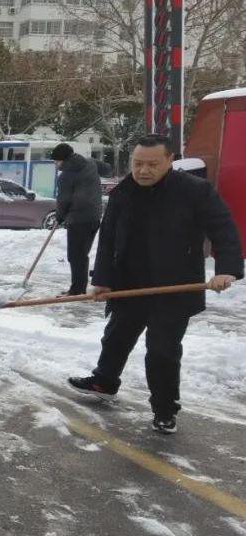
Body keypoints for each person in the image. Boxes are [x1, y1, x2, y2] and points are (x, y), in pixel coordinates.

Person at [68, 134, 242, 434]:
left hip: (174, 287)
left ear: (170, 160)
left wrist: (227, 269)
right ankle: (104, 382)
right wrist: (103, 280)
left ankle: (164, 409)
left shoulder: (194, 191)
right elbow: (108, 238)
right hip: (129, 283)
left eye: (152, 164)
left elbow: (223, 228)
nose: (143, 170)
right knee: (116, 337)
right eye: (137, 163)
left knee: (162, 351)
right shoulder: (124, 192)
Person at [51, 143, 104, 295]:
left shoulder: (66, 176)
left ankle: (77, 290)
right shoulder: (90, 163)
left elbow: (64, 200)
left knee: (75, 256)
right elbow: (107, 169)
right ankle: (79, 288)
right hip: (94, 216)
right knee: (81, 255)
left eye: (56, 161)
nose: (55, 164)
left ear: (62, 159)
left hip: (78, 219)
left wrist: (59, 217)